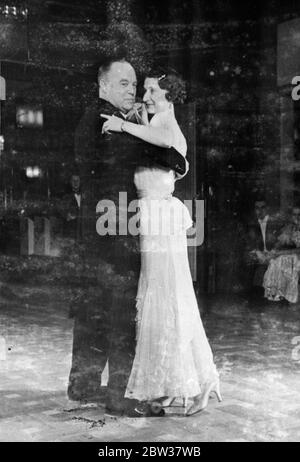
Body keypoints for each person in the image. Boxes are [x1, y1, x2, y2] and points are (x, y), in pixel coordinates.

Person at [67, 57, 188, 415]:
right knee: (121, 313)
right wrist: (175, 158)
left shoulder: (96, 118)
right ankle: (121, 396)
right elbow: (149, 152)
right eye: (123, 83)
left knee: (93, 311)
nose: (132, 90)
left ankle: (83, 384)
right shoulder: (106, 122)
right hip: (114, 232)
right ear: (103, 86)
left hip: (97, 233)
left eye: (134, 85)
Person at [101, 70, 221, 416]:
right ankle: (176, 383)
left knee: (167, 296)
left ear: (169, 96)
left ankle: (195, 380)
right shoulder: (155, 124)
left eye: (152, 90)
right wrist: (133, 121)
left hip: (159, 219)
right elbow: (156, 145)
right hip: (152, 217)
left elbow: (165, 143)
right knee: (162, 295)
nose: (146, 94)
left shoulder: (166, 124)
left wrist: (122, 125)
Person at [244, 198, 281, 300]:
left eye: (263, 207)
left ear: (267, 209)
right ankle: (254, 297)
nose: (260, 210)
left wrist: (273, 251)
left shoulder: (276, 222)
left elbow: (280, 240)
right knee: (249, 261)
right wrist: (257, 252)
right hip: (259, 254)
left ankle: (272, 297)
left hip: (273, 253)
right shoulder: (251, 223)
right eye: (257, 208)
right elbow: (248, 241)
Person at [263, 206, 300, 303]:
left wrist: (280, 253)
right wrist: (274, 251)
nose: (297, 217)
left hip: (297, 255)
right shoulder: (289, 227)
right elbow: (281, 243)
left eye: (299, 214)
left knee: (285, 259)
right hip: (291, 255)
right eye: (294, 214)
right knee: (275, 260)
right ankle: (277, 294)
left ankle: (289, 295)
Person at [62, 172, 84, 241]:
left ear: (80, 182)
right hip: (71, 231)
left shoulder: (85, 195)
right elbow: (62, 209)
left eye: (77, 180)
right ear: (70, 182)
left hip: (83, 231)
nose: (75, 182)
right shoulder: (66, 196)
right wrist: (67, 215)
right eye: (73, 180)